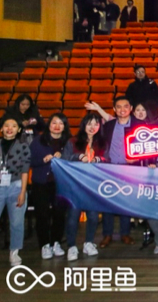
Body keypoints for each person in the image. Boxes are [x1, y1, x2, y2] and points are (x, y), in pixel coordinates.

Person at [98, 96, 145, 248]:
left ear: (131, 108)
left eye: (125, 106)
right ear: (114, 109)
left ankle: (125, 233)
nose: (122, 109)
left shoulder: (140, 125)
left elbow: (146, 149)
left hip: (130, 169)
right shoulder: (108, 126)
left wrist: (136, 159)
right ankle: (107, 234)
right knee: (107, 201)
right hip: (110, 168)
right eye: (119, 107)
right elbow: (101, 145)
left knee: (126, 201)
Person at [29, 113, 73, 260]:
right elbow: (30, 161)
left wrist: (63, 157)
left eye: (61, 123)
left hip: (61, 183)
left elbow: (73, 161)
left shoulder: (68, 142)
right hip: (41, 183)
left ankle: (56, 243)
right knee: (42, 215)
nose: (57, 126)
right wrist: (43, 160)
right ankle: (44, 245)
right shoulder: (38, 141)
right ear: (49, 125)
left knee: (59, 214)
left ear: (65, 126)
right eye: (54, 122)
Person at [66, 113, 106, 261]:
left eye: (96, 124)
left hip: (93, 185)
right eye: (89, 124)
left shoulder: (102, 142)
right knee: (72, 217)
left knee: (94, 217)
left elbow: (108, 159)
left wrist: (99, 159)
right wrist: (78, 157)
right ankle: (71, 246)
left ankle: (89, 242)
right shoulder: (73, 141)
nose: (92, 127)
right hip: (75, 185)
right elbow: (64, 159)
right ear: (84, 125)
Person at [0, 116, 31, 266]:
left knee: (17, 222)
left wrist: (22, 192)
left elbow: (25, 170)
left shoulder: (23, 146)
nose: (9, 128)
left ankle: (14, 251)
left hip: (17, 186)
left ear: (18, 130)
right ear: (2, 129)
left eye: (13, 126)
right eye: (6, 125)